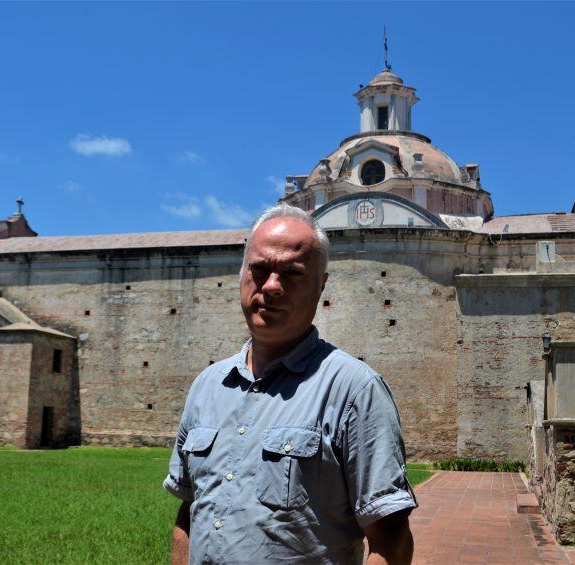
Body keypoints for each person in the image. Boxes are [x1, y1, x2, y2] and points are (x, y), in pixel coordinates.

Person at [163, 204, 416, 564]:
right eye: (260, 269)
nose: (271, 286)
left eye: (291, 274)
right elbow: (190, 512)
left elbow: (391, 541)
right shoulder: (207, 386)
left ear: (320, 285)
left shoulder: (354, 391)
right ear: (241, 275)